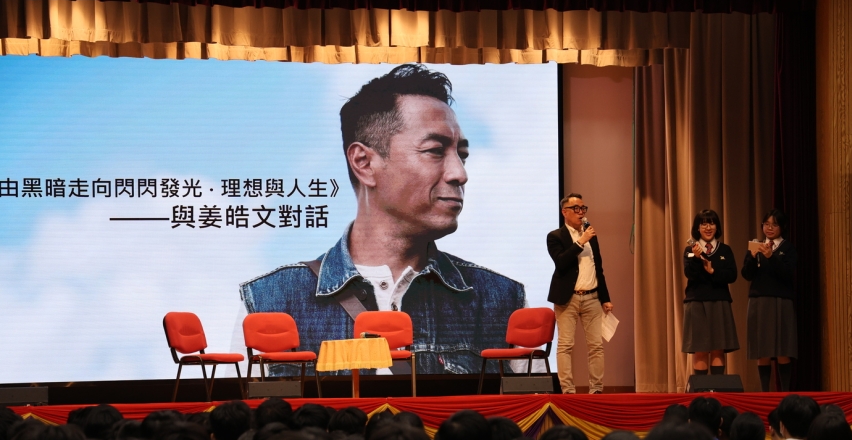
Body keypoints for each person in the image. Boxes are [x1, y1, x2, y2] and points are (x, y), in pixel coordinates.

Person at [240, 64, 525, 376]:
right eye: (435, 151)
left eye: (462, 155)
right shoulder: (271, 300)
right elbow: (237, 406)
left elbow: (534, 402)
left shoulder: (499, 301)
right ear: (364, 163)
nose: (460, 173)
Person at [547, 193, 613, 394]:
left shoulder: (591, 235)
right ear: (564, 212)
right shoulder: (555, 236)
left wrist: (605, 298)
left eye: (583, 208)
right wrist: (580, 242)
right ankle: (568, 390)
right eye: (576, 208)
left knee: (596, 346)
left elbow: (598, 268)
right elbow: (561, 262)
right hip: (568, 298)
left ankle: (597, 390)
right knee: (565, 345)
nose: (581, 212)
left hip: (592, 297)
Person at [741, 209, 798, 391]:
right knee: (762, 349)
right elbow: (746, 274)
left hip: (782, 301)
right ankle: (764, 392)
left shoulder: (788, 248)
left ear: (782, 227)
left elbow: (787, 274)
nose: (769, 228)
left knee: (783, 348)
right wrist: (752, 258)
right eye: (766, 224)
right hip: (759, 301)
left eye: (774, 224)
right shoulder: (756, 246)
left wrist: (770, 257)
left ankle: (785, 392)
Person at [682, 209, 739, 375]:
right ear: (697, 228)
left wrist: (713, 271)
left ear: (717, 227)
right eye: (704, 224)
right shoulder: (690, 250)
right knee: (700, 349)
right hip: (696, 302)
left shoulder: (725, 250)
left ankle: (717, 388)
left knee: (718, 348)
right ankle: (702, 389)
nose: (708, 227)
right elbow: (689, 274)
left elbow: (732, 275)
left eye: (712, 223)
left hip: (719, 301)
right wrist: (696, 259)